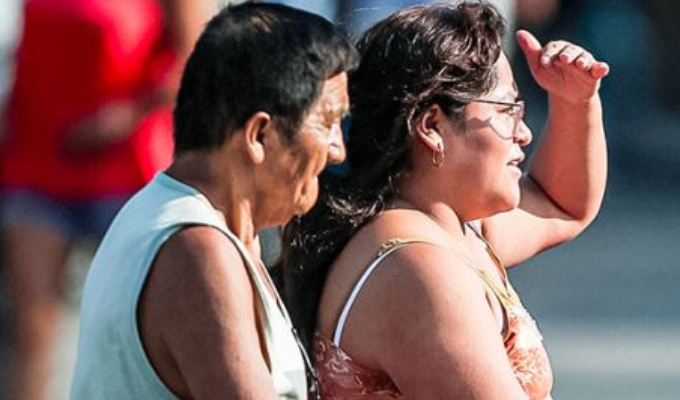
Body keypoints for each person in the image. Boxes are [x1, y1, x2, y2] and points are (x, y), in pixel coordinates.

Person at [280, 2, 609, 400]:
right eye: (507, 110)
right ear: (432, 126)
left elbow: (562, 206)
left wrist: (574, 102)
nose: (524, 133)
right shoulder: (418, 268)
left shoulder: (449, 229)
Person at [69, 2, 357, 400]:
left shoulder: (175, 221)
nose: (338, 150)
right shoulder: (197, 250)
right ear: (259, 135)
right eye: (328, 122)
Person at [0, 1, 216, 399]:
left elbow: (197, 59)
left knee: (134, 327)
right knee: (32, 329)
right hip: (35, 164)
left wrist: (125, 115)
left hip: (127, 169)